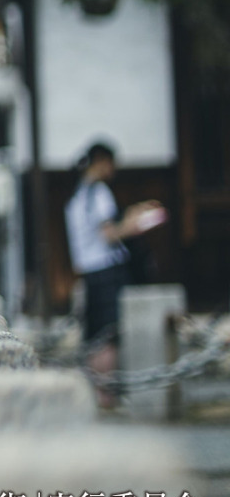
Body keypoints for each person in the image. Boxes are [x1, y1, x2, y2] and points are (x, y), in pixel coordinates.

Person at [65, 140, 162, 402]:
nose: (113, 169)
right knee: (109, 334)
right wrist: (138, 224)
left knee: (95, 332)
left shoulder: (78, 195)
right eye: (110, 163)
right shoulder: (98, 193)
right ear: (101, 162)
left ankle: (97, 391)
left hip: (89, 271)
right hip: (108, 269)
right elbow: (110, 234)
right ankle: (106, 392)